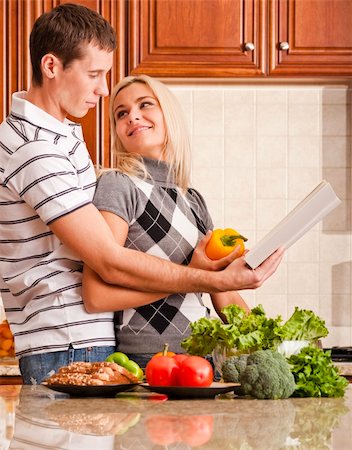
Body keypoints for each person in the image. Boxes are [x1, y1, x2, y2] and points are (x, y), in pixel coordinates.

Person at [0, 3, 283, 384]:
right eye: (95, 74)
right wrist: (209, 278)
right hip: (66, 340)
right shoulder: (35, 148)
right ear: (52, 67)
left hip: (85, 338)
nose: (103, 90)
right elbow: (108, 263)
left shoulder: (61, 137)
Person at [81, 75, 247, 367]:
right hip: (146, 361)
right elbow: (97, 295)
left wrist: (269, 341)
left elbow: (222, 290)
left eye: (145, 105)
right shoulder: (118, 185)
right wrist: (192, 278)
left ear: (169, 115)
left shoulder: (193, 199)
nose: (132, 116)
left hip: (204, 358)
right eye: (121, 113)